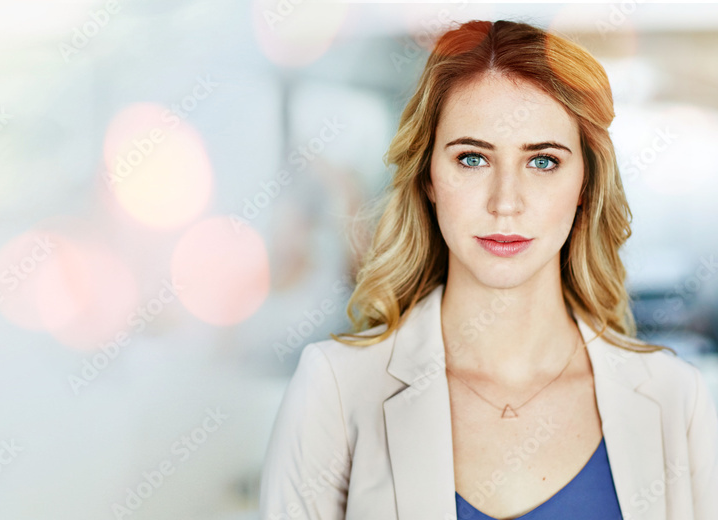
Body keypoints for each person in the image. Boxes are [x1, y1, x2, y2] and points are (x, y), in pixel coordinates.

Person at [258, 19, 718, 520]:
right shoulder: (336, 389)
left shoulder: (676, 400)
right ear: (428, 175)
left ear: (586, 184)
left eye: (542, 161)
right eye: (473, 158)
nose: (505, 203)